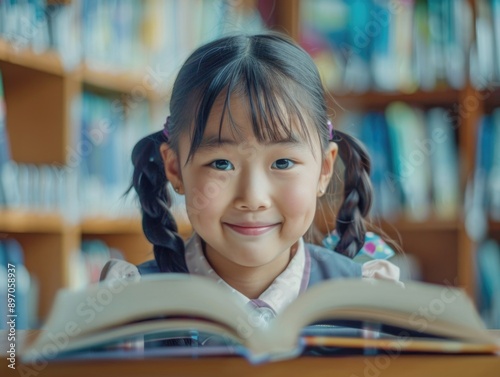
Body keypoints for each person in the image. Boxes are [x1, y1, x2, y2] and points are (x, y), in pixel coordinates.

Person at [101, 32, 400, 317]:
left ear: (324, 170)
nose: (253, 198)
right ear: (175, 169)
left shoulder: (367, 300)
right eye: (221, 164)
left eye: (282, 163)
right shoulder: (131, 303)